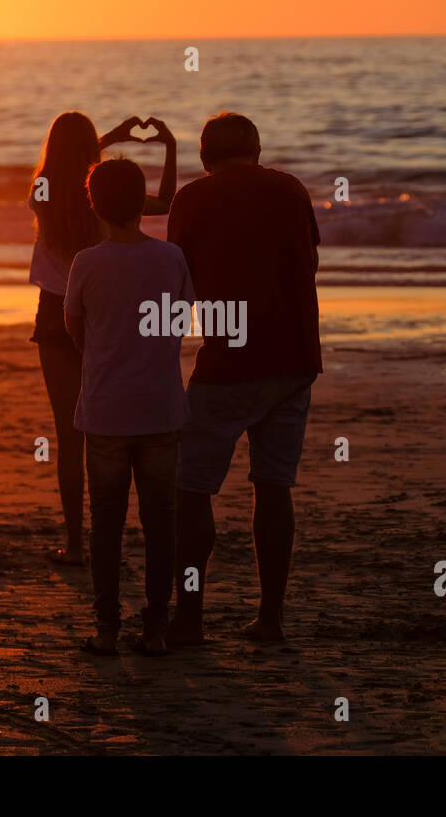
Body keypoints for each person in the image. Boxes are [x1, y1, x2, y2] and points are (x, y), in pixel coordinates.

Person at [166, 112, 322, 645]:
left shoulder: (191, 200)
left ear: (206, 157)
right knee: (274, 487)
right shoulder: (292, 189)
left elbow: (180, 281)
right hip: (296, 358)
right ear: (256, 149)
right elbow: (310, 262)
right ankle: (271, 617)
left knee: (192, 489)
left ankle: (189, 616)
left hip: (229, 361)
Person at [27, 112, 176, 565]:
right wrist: (169, 146)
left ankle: (75, 545)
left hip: (55, 317)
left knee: (69, 437)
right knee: (109, 431)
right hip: (102, 313)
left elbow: (69, 166)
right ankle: (115, 535)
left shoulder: (42, 194)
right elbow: (164, 203)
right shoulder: (99, 199)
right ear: (92, 152)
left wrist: (102, 139)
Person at [64, 158, 194, 657]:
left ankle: (105, 628)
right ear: (144, 204)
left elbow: (75, 327)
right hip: (160, 407)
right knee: (161, 521)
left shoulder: (87, 262)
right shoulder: (171, 258)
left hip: (105, 411)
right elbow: (179, 323)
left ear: (94, 203)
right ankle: (156, 628)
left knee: (107, 523)